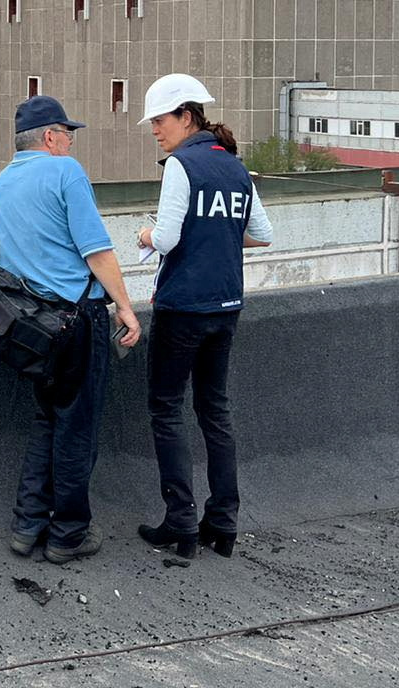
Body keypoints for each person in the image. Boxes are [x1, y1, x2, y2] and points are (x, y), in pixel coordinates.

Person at [0, 94, 141, 563]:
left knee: (47, 420)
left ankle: (27, 525)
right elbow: (97, 251)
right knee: (77, 429)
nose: (70, 143)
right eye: (67, 135)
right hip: (77, 321)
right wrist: (126, 308)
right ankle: (68, 535)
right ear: (50, 137)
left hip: (29, 330)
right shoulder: (65, 173)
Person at [133, 74, 272, 559]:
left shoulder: (181, 165)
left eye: (160, 120)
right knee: (215, 411)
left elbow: (168, 238)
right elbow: (262, 233)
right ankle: (223, 523)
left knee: (167, 410)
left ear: (186, 117)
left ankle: (181, 523)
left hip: (183, 307)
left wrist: (146, 236)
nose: (154, 129)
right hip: (227, 305)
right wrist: (218, 236)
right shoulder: (234, 166)